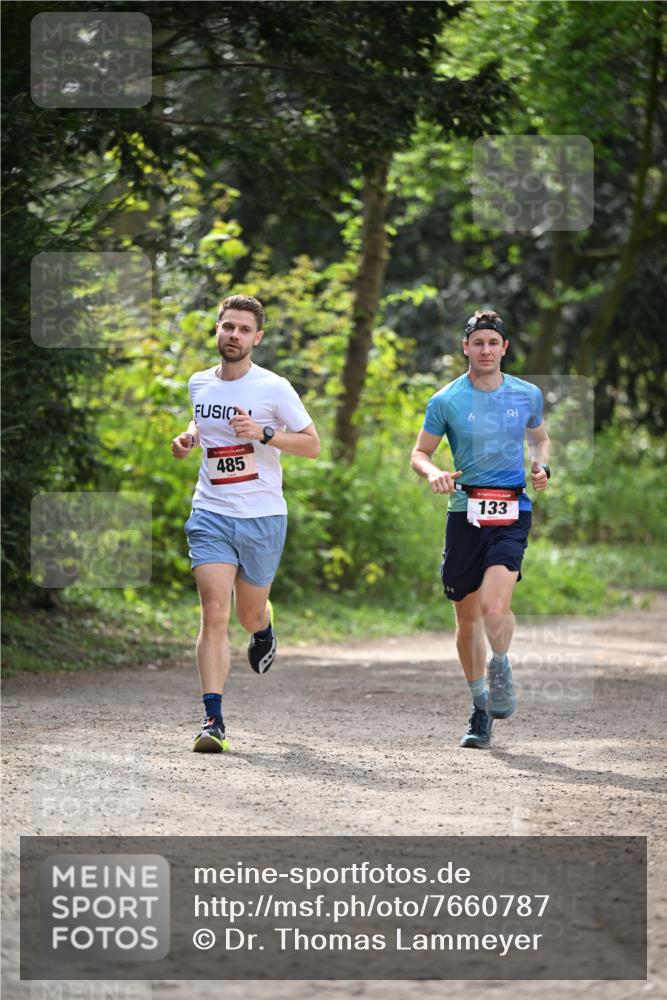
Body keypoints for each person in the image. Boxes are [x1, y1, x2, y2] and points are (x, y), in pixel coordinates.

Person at [171, 294, 320, 753]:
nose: (233, 335)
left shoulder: (273, 387)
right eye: (228, 326)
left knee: (246, 614)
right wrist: (189, 438)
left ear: (257, 338)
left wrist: (264, 433)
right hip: (211, 512)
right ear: (217, 329)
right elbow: (202, 422)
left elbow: (312, 445)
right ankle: (212, 720)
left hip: (262, 517)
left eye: (243, 329)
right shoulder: (199, 383)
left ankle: (263, 626)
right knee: (214, 611)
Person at [410, 309, 550, 749]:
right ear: (465, 347)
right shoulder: (446, 400)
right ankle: (479, 707)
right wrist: (432, 471)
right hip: (464, 513)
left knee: (493, 607)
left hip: (511, 509)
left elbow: (540, 438)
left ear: (504, 348)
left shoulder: (526, 394)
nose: (485, 350)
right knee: (467, 619)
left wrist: (541, 466)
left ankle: (500, 665)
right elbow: (419, 453)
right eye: (478, 343)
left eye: (493, 343)